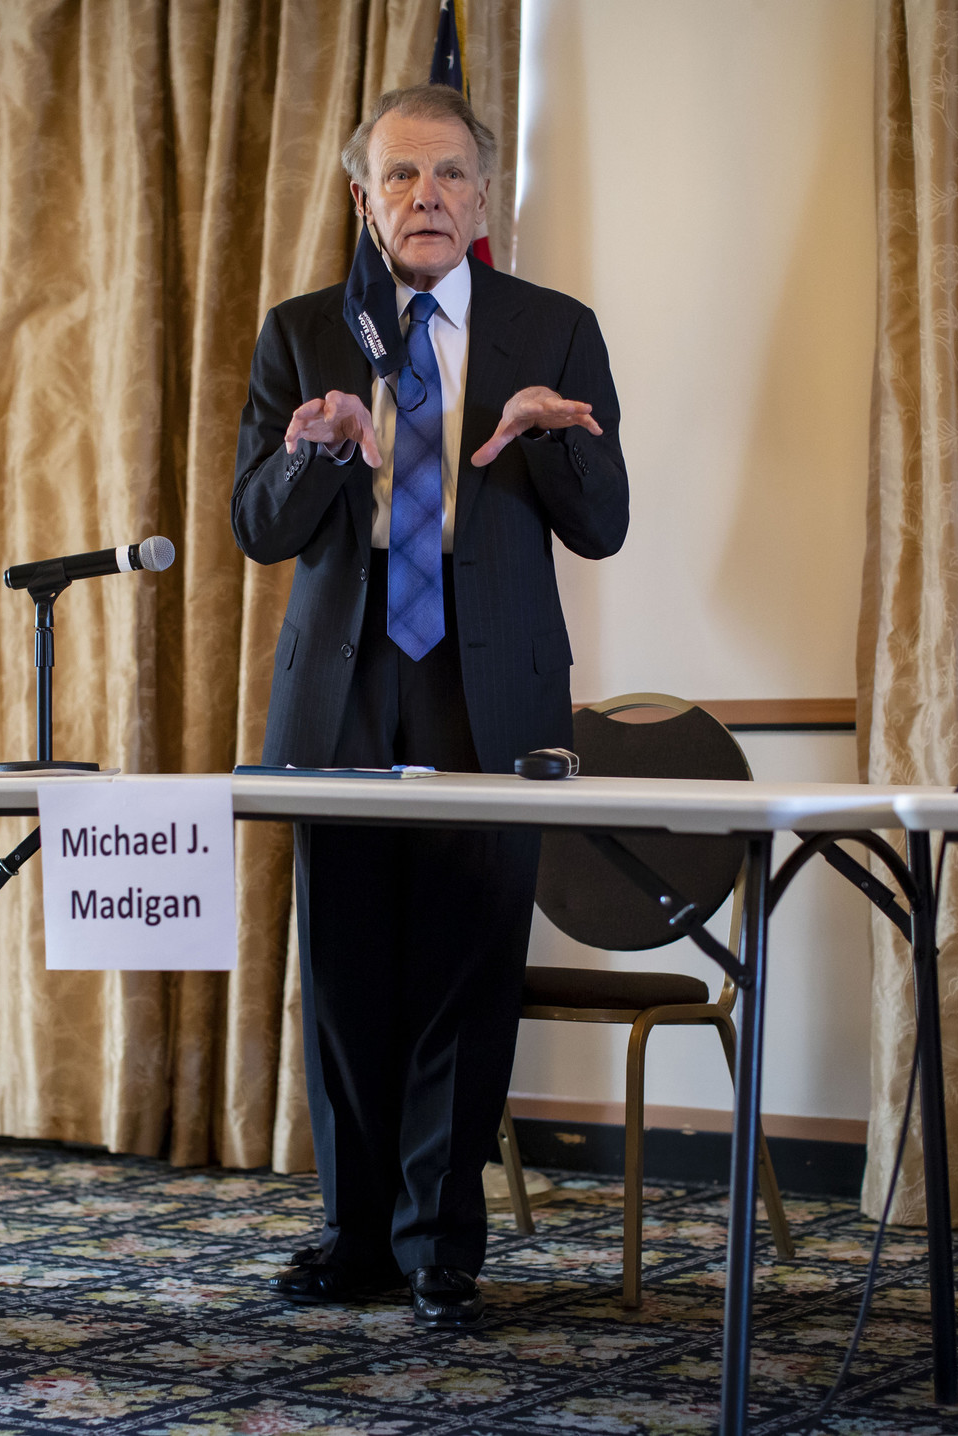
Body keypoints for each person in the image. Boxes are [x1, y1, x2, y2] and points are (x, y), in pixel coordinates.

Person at [231, 83, 629, 1328]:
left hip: (484, 693)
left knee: (464, 974)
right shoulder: (302, 332)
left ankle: (440, 1246)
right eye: (401, 177)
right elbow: (257, 526)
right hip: (344, 693)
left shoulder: (553, 329)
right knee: (346, 976)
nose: (427, 198)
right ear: (362, 198)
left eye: (451, 175)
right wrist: (316, 448)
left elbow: (601, 524)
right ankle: (352, 1236)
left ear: (483, 196)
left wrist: (553, 438)